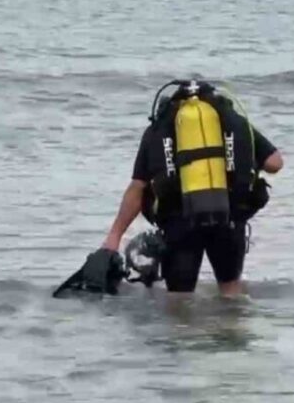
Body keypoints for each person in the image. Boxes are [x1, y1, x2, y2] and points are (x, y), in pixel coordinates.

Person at [102, 80, 283, 297]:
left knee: (179, 299)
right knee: (231, 291)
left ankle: (186, 331)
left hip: (180, 223)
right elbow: (275, 163)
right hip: (228, 219)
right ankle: (231, 330)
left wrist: (114, 235)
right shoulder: (234, 122)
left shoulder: (158, 129)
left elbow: (138, 187)